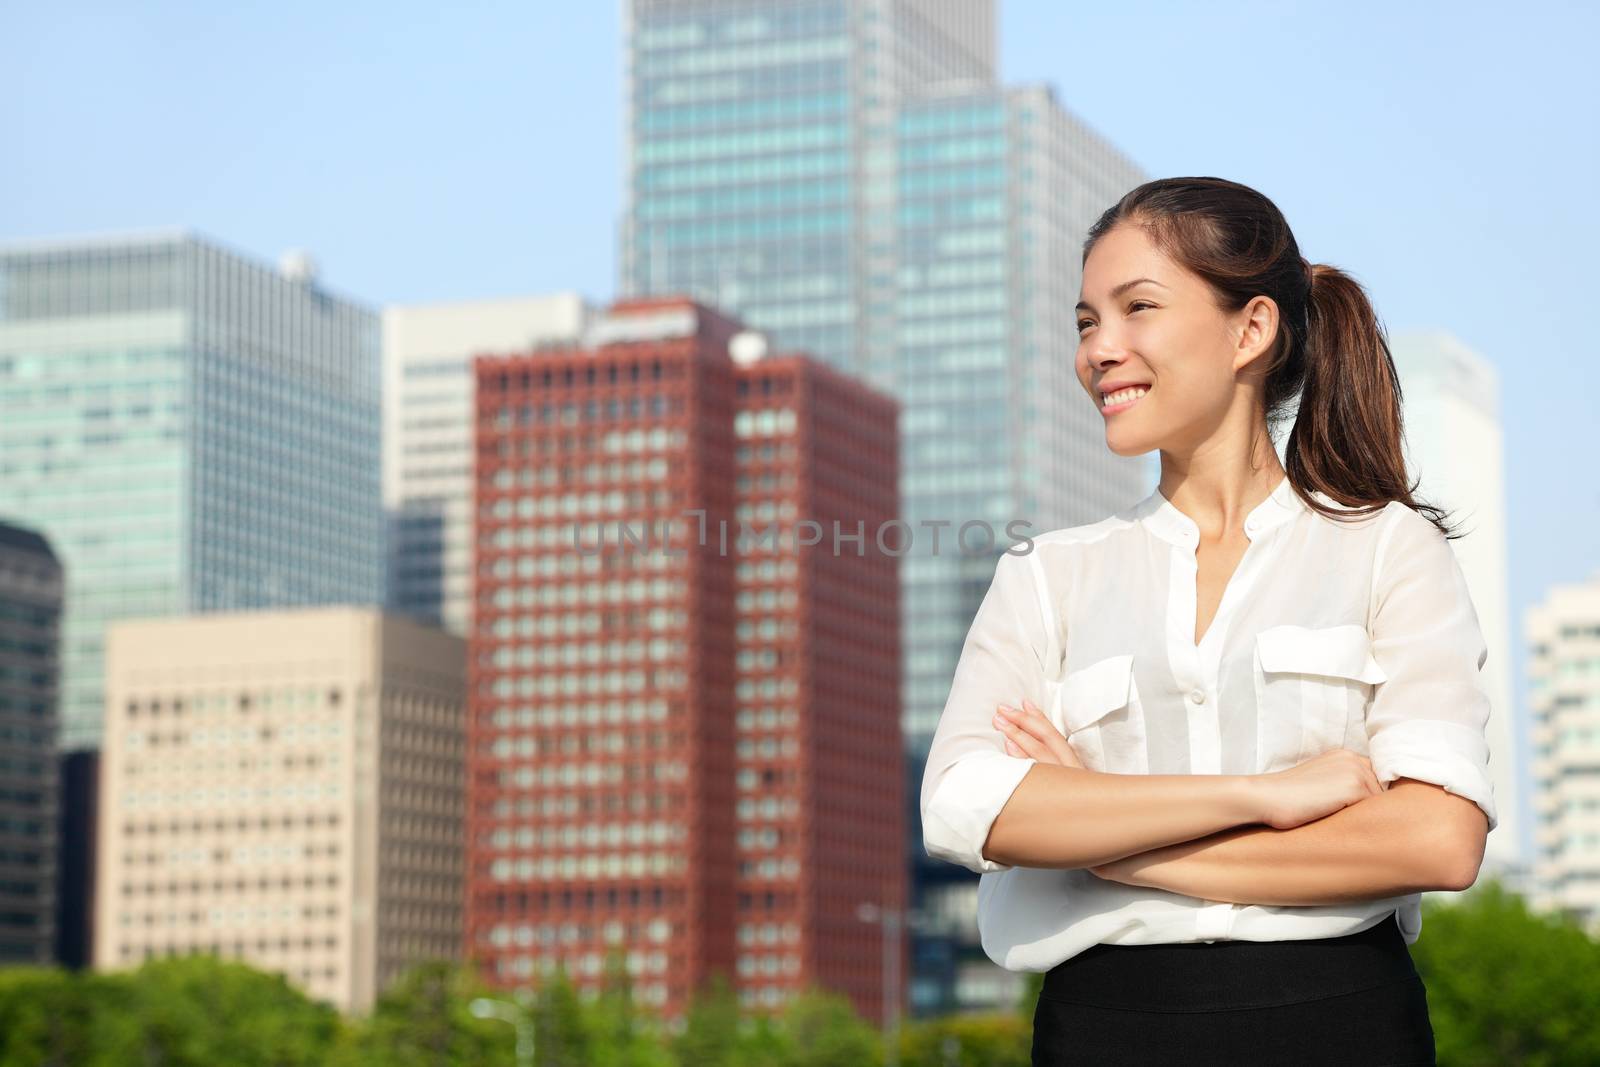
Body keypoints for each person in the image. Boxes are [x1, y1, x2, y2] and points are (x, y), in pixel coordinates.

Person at [919, 177, 1496, 1066]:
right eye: (1084, 322)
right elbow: (965, 807)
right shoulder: (1047, 577)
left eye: (1136, 308)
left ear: (1251, 329)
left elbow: (1437, 836)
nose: (1099, 350)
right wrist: (1264, 796)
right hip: (1103, 1027)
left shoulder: (1388, 548)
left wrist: (1109, 848)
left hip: (1340, 1018)